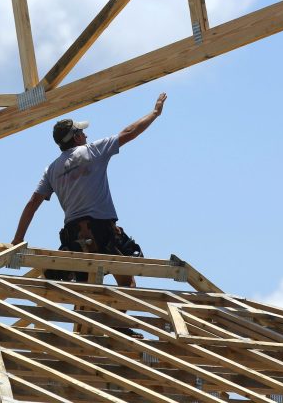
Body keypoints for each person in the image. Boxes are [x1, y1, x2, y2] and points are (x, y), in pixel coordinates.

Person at [12, 93, 167, 287]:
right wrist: (154, 113)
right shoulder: (93, 150)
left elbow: (32, 204)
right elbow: (129, 132)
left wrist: (18, 239)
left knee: (85, 291)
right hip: (101, 230)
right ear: (76, 137)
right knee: (128, 285)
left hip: (74, 236)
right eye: (83, 132)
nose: (86, 135)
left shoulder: (51, 170)